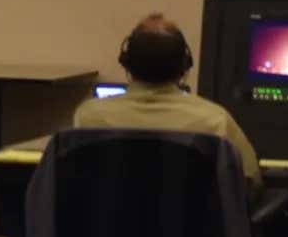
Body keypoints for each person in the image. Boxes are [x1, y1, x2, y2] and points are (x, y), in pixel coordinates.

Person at [73, 13, 262, 192]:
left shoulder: (89, 117)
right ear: (184, 65)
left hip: (108, 225)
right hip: (191, 226)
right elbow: (249, 182)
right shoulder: (214, 121)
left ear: (127, 62)